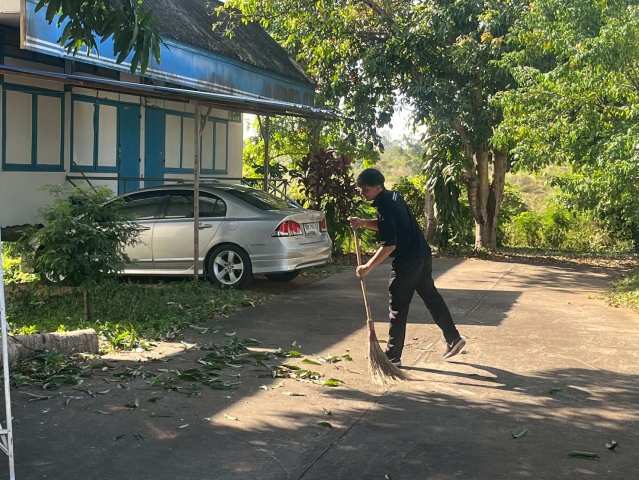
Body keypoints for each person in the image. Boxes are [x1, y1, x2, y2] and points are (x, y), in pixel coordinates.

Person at [349, 168, 465, 367]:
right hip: (422, 254)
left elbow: (390, 244)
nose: (362, 194)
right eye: (361, 190)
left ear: (378, 187)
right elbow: (388, 225)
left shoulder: (385, 205)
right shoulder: (394, 197)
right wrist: (363, 224)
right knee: (431, 298)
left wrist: (367, 266)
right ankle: (453, 338)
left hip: (408, 260)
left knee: (398, 306)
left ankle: (393, 355)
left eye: (366, 190)